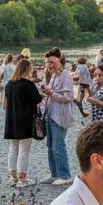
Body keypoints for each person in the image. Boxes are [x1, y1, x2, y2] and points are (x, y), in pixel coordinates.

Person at [38, 47, 75, 185]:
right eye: (48, 62)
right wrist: (45, 88)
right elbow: (49, 91)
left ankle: (65, 176)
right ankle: (54, 174)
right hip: (50, 113)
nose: (49, 65)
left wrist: (51, 93)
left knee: (58, 146)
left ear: (60, 60)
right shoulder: (53, 75)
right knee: (50, 146)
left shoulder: (66, 76)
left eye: (52, 62)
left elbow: (69, 97)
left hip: (60, 115)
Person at [3, 59, 41, 187]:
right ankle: (22, 178)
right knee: (24, 149)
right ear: (27, 69)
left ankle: (13, 176)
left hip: (11, 121)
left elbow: (5, 103)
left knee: (13, 148)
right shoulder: (28, 84)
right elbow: (37, 99)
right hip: (25, 120)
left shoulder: (9, 83)